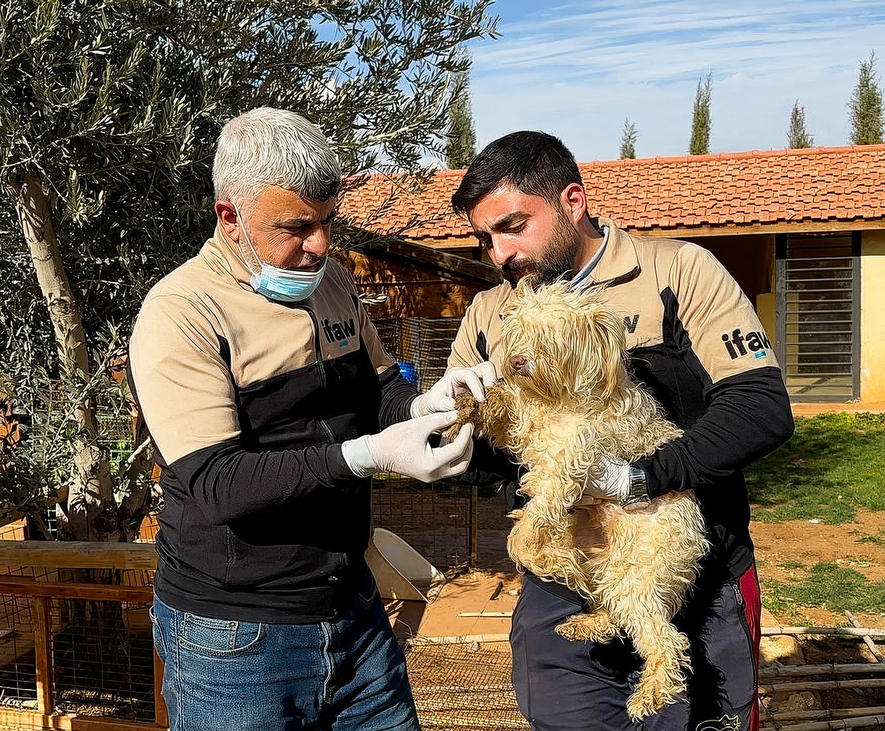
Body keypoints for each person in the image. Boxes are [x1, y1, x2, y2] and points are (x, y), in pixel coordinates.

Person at [129, 107, 494, 731]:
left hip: (353, 609)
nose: (320, 245)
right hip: (236, 634)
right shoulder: (181, 313)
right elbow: (219, 484)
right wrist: (369, 456)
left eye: (326, 222)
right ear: (229, 219)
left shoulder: (331, 284)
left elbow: (378, 393)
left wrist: (428, 405)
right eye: (296, 227)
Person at [445, 131, 794, 731]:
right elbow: (474, 452)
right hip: (564, 581)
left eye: (512, 226)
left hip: (691, 572)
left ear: (573, 201)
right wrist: (453, 421)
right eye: (486, 239)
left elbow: (759, 407)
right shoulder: (489, 314)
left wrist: (638, 479)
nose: (499, 254)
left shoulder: (677, 273)